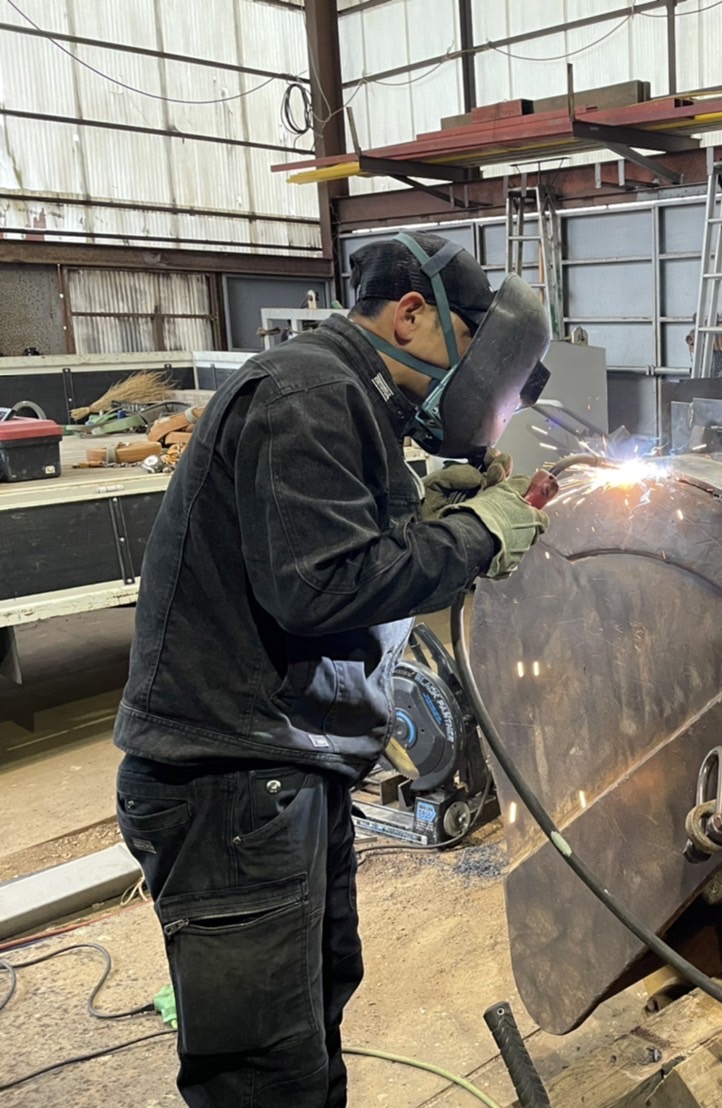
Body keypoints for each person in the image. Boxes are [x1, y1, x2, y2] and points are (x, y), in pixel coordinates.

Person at [112, 232, 549, 1107]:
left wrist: (426, 518)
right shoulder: (309, 392)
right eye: (474, 348)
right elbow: (321, 588)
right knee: (267, 1073)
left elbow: (337, 547)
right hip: (231, 783)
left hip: (282, 769)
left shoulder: (347, 395)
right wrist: (476, 533)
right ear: (412, 314)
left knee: (313, 1017)